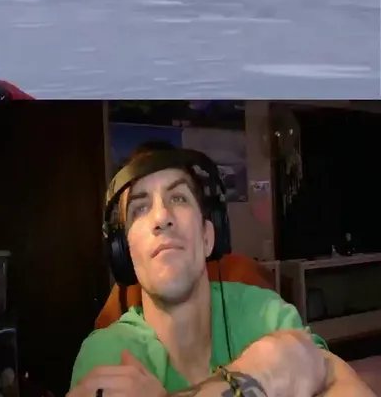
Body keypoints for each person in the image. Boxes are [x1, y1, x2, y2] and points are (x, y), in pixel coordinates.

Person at [68, 144, 373, 397]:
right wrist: (261, 373)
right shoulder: (107, 354)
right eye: (140, 208)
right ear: (125, 252)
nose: (161, 217)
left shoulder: (263, 312)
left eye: (178, 198)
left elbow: (341, 382)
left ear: (208, 236)